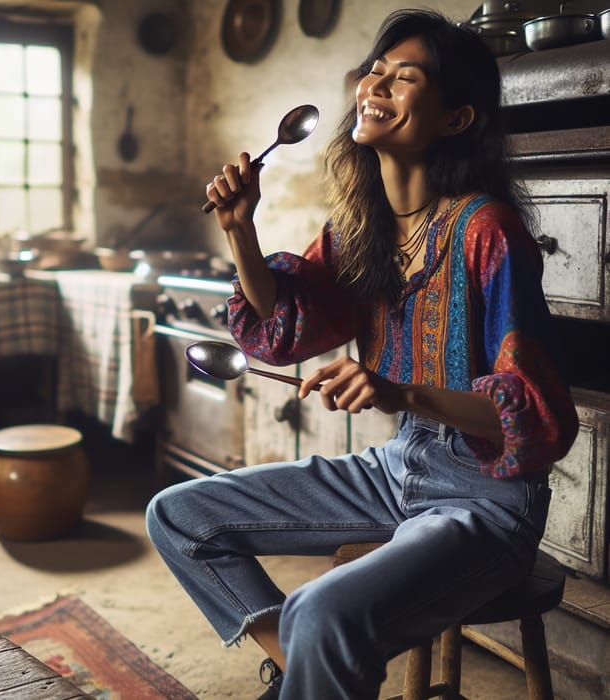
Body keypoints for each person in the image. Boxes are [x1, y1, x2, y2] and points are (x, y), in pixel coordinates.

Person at [146, 9, 579, 699]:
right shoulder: (358, 235)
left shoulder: (484, 231)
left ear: (456, 118)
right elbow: (285, 324)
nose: (375, 84)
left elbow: (535, 422)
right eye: (375, 70)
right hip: (396, 469)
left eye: (403, 78)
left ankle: (314, 669)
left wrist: (399, 392)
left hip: (488, 504)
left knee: (324, 608)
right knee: (178, 515)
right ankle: (302, 669)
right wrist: (240, 231)